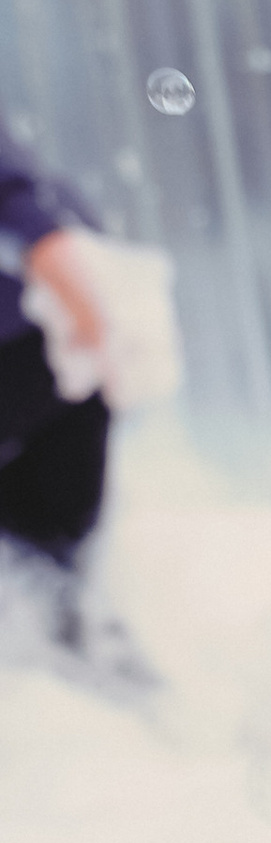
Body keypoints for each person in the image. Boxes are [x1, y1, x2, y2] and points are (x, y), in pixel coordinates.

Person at [0, 122, 123, 668]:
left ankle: (72, 637)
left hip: (35, 346)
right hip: (39, 346)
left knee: (46, 556)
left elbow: (18, 198)